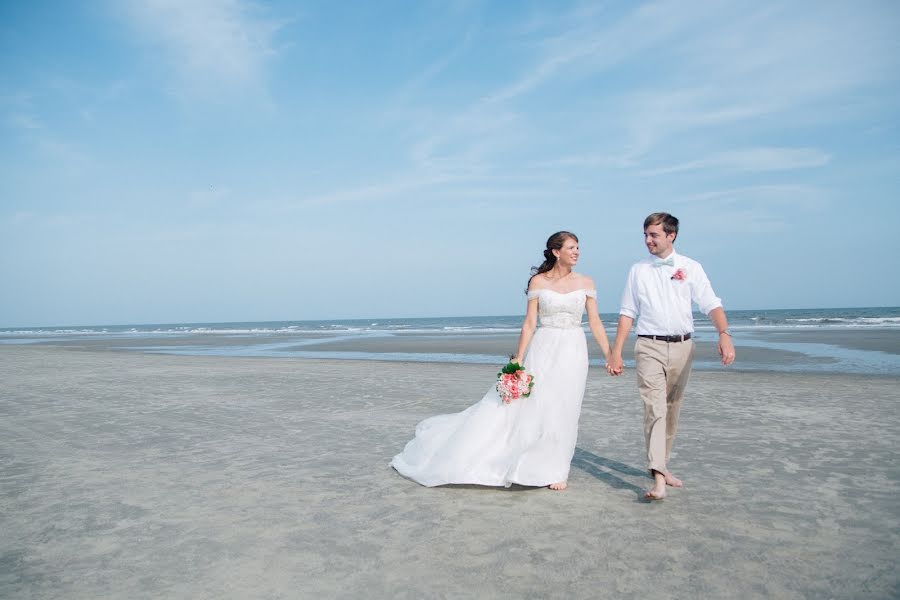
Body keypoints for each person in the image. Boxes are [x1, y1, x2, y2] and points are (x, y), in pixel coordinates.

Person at [391, 231, 611, 490]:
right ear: (556, 252)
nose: (577, 252)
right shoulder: (538, 282)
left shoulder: (586, 282)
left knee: (567, 406)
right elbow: (529, 323)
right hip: (544, 346)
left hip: (574, 348)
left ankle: (558, 468)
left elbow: (595, 322)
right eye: (571, 247)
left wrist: (610, 354)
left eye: (578, 247)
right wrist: (518, 358)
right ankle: (533, 463)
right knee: (539, 405)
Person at [607, 212, 735, 501]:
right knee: (655, 408)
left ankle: (662, 466)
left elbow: (710, 303)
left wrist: (724, 334)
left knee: (672, 409)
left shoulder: (691, 267)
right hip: (648, 346)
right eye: (645, 235)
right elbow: (628, 312)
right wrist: (616, 352)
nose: (648, 240)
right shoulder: (637, 270)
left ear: (671, 235)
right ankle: (658, 479)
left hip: (683, 347)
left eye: (654, 235)